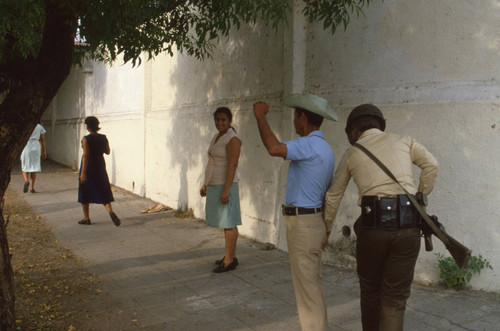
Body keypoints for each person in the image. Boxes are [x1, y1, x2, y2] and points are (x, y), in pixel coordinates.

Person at [323, 104, 439, 331]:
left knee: (370, 292)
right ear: (379, 125)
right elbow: (431, 165)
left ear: (355, 130)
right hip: (408, 227)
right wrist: (420, 198)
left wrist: (326, 230)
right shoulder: (405, 141)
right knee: (395, 299)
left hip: (373, 230)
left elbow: (333, 196)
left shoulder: (352, 153)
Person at [253, 93, 338, 331]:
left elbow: (273, 148)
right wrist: (327, 227)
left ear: (302, 117)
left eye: (295, 115)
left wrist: (260, 117)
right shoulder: (325, 149)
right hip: (314, 221)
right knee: (313, 287)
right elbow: (328, 194)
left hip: (302, 224)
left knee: (307, 292)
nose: (293, 120)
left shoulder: (307, 144)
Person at [200, 107, 242, 273]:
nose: (220, 123)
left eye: (223, 120)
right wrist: (205, 184)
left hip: (226, 184)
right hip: (215, 183)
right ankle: (230, 255)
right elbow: (212, 162)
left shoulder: (233, 139)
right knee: (226, 222)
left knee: (229, 222)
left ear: (230, 120)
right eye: (217, 119)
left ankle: (229, 260)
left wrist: (226, 189)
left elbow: (232, 165)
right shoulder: (218, 136)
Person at [78, 116, 120, 227]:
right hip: (100, 166)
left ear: (87, 126)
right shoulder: (103, 137)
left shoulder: (86, 139)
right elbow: (108, 151)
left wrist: (83, 173)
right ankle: (110, 211)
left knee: (84, 191)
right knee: (103, 189)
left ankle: (86, 218)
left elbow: (86, 155)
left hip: (89, 167)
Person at [21, 123, 47, 193]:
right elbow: (42, 139)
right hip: (36, 146)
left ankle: (26, 180)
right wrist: (44, 151)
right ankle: (32, 188)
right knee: (34, 167)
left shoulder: (25, 125)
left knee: (24, 166)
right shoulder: (40, 127)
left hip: (27, 145)